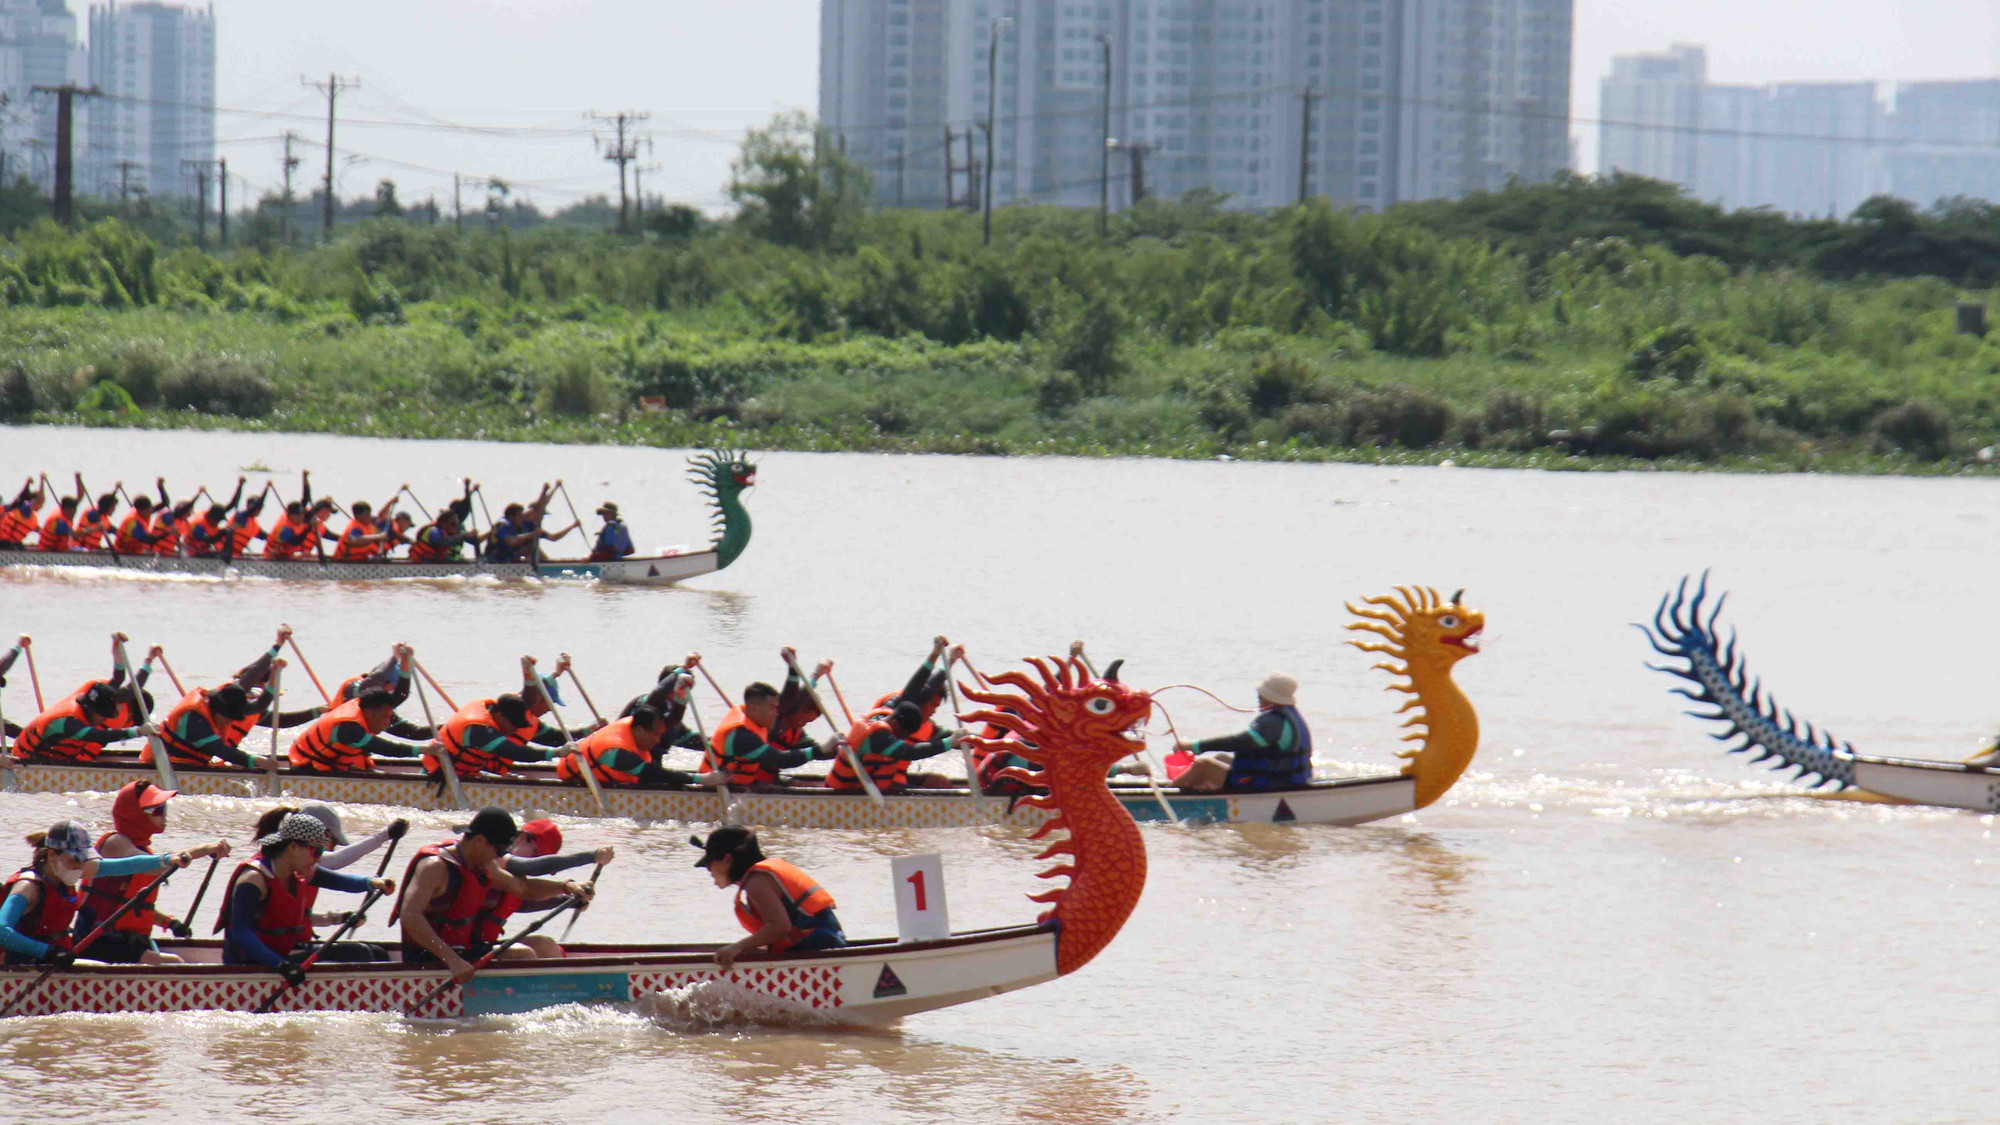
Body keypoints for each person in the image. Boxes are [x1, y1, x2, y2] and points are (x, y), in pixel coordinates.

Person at [392, 807, 592, 980]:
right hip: (430, 957)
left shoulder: (484, 864)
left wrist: (567, 887)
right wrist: (452, 960)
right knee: (522, 955)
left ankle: (557, 1000)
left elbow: (523, 889)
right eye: (498, 852)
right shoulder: (434, 867)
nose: (500, 858)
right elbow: (410, 917)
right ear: (479, 840)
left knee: (545, 946)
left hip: (464, 950)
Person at [2, 819, 226, 966]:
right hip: (23, 963)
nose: (81, 866)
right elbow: (2, 931)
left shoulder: (70, 869)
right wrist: (47, 952)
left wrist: (181, 856)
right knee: (100, 968)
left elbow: (131, 864)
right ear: (52, 855)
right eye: (75, 859)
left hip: (57, 958)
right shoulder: (28, 887)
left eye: (84, 859)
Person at [75, 782, 233, 964]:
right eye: (157, 811)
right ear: (134, 814)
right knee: (175, 963)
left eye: (164, 808)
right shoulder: (115, 843)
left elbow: (136, 906)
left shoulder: (142, 847)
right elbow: (153, 866)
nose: (164, 816)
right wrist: (204, 849)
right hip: (97, 939)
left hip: (125, 940)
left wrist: (169, 923)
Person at [215, 812, 395, 971]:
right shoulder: (254, 879)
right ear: (293, 847)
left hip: (278, 960)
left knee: (378, 953)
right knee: (358, 953)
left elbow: (341, 881)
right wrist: (281, 965)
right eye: (317, 851)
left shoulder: (298, 872)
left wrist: (373, 883)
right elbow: (241, 932)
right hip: (250, 967)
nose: (318, 859)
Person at [152, 630, 322, 769]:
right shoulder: (195, 718)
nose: (228, 723)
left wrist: (275, 679)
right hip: (162, 763)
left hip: (198, 761)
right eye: (227, 719)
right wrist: (255, 760)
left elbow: (266, 708)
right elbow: (220, 750)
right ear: (217, 708)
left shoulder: (234, 707)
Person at [692, 826, 844, 970]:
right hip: (828, 944)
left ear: (727, 860)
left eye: (708, 865)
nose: (709, 871)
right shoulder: (761, 876)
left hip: (820, 950)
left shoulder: (756, 883)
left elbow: (780, 927)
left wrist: (737, 947)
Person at [422, 655, 589, 779]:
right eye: (514, 725)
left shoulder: (510, 711)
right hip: (437, 777)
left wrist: (591, 730)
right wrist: (557, 753)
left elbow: (553, 735)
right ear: (500, 716)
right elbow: (518, 752)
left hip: (470, 773)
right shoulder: (479, 730)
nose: (515, 729)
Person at [1171, 673, 1314, 792]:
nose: (1259, 698)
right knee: (1221, 758)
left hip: (1274, 783)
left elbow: (1240, 742)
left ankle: (1165, 797)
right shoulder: (1290, 715)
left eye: (1261, 695)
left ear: (1272, 698)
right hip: (1286, 778)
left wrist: (1194, 746)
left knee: (1203, 765)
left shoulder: (1274, 722)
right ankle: (1199, 793)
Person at [710, 675, 838, 789]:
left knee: (814, 784)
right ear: (796, 710)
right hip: (746, 784)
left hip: (768, 780)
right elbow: (780, 759)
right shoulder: (770, 726)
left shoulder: (796, 734)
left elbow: (820, 752)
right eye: (806, 721)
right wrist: (814, 675)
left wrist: (840, 750)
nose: (804, 724)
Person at [827, 700, 968, 794]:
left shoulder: (878, 721)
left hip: (859, 787)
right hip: (842, 791)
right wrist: (950, 742)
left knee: (934, 782)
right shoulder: (879, 736)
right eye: (904, 733)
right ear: (895, 722)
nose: (903, 738)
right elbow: (910, 752)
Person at [286, 689, 426, 773]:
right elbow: (385, 748)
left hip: (330, 763)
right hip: (305, 765)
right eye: (385, 717)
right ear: (369, 712)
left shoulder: (366, 708)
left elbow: (412, 731)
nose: (388, 723)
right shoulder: (349, 727)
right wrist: (422, 750)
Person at [559, 706, 696, 787]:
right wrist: (697, 779)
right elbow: (654, 773)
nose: (658, 739)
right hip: (573, 782)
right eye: (655, 734)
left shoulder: (633, 728)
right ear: (639, 730)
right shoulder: (616, 752)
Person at [11, 684, 146, 762]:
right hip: (24, 761)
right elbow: (98, 736)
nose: (105, 720)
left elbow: (121, 682)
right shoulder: (68, 722)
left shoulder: (82, 708)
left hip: (51, 758)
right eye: (103, 715)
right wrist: (137, 732)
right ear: (92, 710)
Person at [298, 804, 410, 874]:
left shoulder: (308, 867)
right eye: (335, 840)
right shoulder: (297, 856)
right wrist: (385, 835)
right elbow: (336, 860)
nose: (334, 848)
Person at [183, 478, 247, 557]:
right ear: (211, 518)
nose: (218, 523)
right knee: (226, 532)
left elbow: (232, 505)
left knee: (227, 533)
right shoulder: (199, 525)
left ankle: (227, 556)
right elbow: (210, 540)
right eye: (217, 521)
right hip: (192, 553)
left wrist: (240, 485)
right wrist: (223, 531)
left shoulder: (214, 513)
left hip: (204, 549)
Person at [0, 477, 46, 550]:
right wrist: (42, 482)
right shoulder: (24, 507)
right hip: (3, 542)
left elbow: (41, 531)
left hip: (13, 544)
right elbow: (39, 500)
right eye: (42, 504)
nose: (42, 506)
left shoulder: (33, 518)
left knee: (20, 547)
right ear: (33, 501)